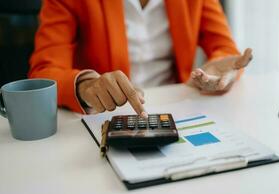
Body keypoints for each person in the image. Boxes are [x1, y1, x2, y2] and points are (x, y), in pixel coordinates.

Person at [29, 0, 252, 118]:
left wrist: (221, 68)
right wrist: (86, 85)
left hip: (176, 107)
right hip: (104, 117)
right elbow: (44, 72)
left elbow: (226, 49)